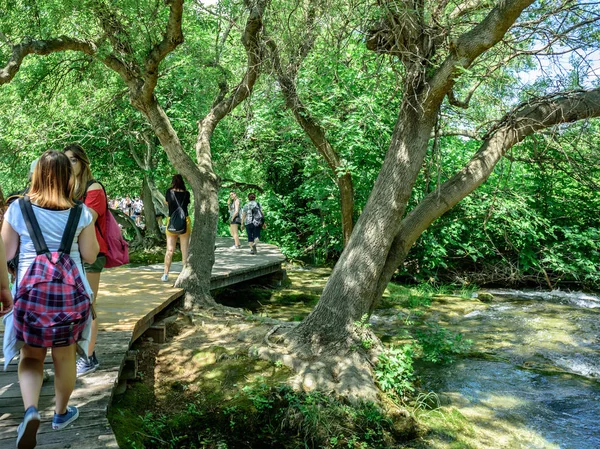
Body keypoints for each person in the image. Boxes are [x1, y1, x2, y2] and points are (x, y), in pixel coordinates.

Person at [2, 150, 99, 446]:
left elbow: (4, 253)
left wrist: (5, 290)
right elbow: (90, 254)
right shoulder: (80, 212)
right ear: (67, 178)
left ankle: (31, 410)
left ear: (36, 176)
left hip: (30, 294)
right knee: (64, 355)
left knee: (31, 355)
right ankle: (60, 413)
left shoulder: (18, 209)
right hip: (71, 296)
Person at [63, 144, 107, 377]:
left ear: (82, 162)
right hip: (70, 253)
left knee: (88, 305)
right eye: (65, 160)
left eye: (73, 160)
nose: (69, 164)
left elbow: (87, 218)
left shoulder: (94, 188)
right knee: (74, 306)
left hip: (91, 253)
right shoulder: (68, 188)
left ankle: (89, 357)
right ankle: (80, 353)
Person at [162, 174, 191, 282]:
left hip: (171, 222)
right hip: (185, 221)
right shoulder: (186, 194)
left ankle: (165, 274)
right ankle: (184, 274)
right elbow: (187, 204)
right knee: (184, 250)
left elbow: (167, 202)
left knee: (169, 250)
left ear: (173, 182)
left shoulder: (169, 192)